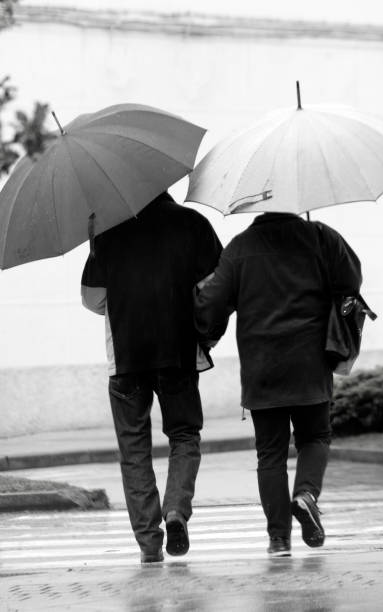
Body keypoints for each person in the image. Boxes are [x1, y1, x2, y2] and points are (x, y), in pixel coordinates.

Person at [194, 212, 362, 556]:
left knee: (270, 453)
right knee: (315, 436)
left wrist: (203, 327)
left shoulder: (240, 247)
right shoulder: (321, 238)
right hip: (311, 360)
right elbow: (351, 283)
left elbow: (211, 305)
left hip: (261, 366)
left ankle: (278, 539)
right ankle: (306, 495)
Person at [81, 191, 222, 564]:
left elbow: (92, 299)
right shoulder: (193, 224)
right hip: (177, 353)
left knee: (133, 451)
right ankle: (175, 509)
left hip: (126, 358)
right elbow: (217, 290)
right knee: (185, 436)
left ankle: (148, 545)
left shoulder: (108, 231)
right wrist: (207, 334)